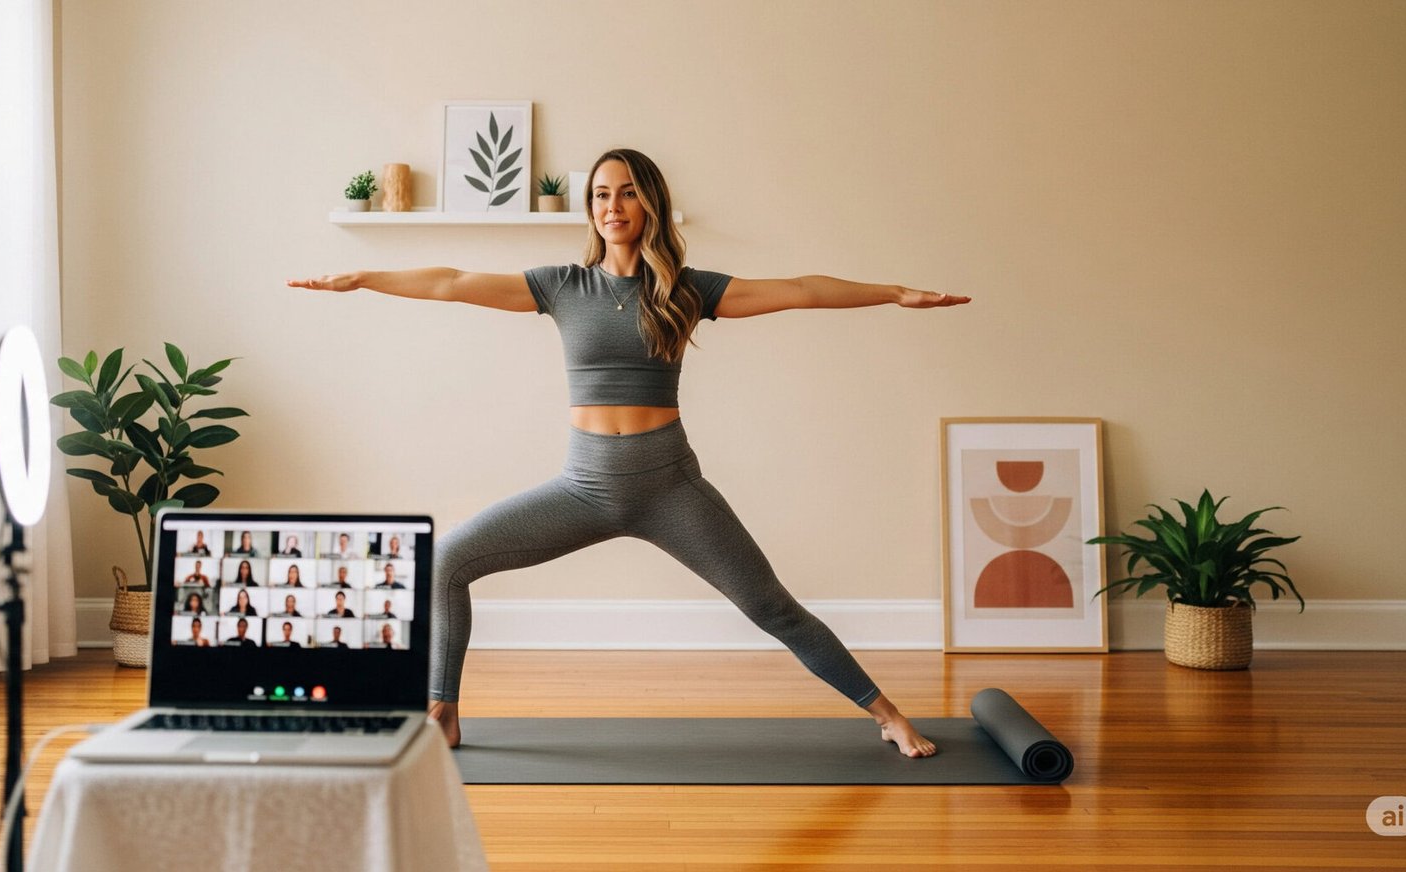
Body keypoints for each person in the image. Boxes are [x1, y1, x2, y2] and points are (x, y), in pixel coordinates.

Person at [289, 148, 969, 758]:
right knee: (446, 562)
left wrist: (894, 293)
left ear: (651, 203)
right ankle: (444, 712)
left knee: (773, 608)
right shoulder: (563, 286)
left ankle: (887, 716)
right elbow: (452, 281)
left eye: (627, 193)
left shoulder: (686, 289)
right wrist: (365, 277)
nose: (612, 206)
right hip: (582, 487)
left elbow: (800, 290)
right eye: (600, 194)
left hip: (668, 485)